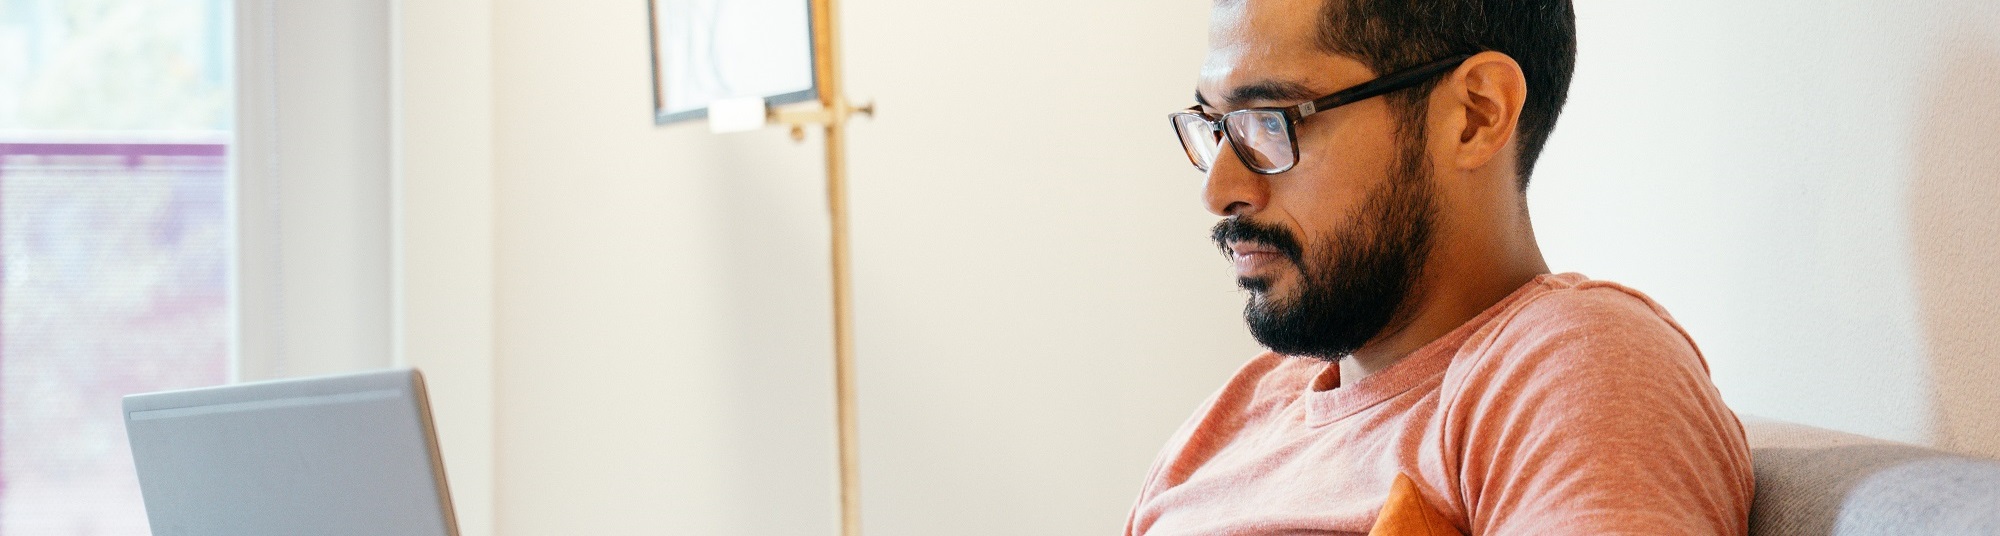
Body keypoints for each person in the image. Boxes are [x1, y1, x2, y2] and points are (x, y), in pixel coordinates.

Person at [1126, 1, 1754, 534]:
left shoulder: (1573, 367)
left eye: (1269, 121)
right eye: (1215, 124)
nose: (1219, 191)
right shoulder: (1237, 413)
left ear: (1477, 115)